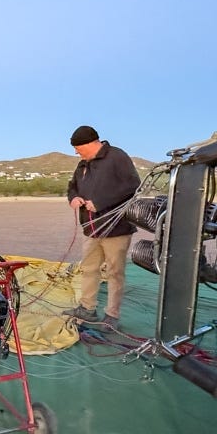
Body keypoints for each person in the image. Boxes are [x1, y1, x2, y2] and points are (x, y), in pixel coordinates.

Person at [66, 125, 142, 328]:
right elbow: (72, 187)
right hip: (91, 228)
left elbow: (133, 186)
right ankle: (87, 308)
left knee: (114, 273)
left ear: (91, 143)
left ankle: (112, 316)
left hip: (116, 229)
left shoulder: (117, 157)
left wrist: (100, 202)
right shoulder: (83, 164)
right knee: (89, 269)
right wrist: (74, 198)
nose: (76, 152)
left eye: (78, 148)